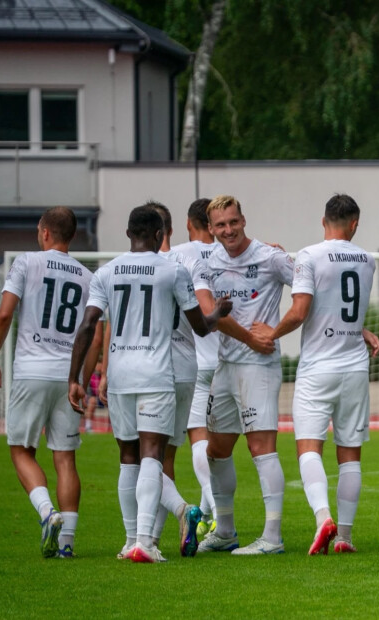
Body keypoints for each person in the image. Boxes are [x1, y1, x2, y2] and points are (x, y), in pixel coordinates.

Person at [67, 204, 231, 563]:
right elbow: (200, 326)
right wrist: (218, 313)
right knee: (153, 456)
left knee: (128, 459)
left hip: (121, 376)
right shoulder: (173, 270)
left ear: (128, 233)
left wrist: (76, 379)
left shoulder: (106, 272)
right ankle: (146, 541)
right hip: (157, 375)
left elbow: (88, 326)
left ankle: (130, 542)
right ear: (160, 235)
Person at [250, 194, 379, 555]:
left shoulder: (309, 255)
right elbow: (340, 301)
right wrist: (364, 330)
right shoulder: (368, 261)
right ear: (354, 224)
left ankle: (324, 518)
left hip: (318, 368)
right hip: (354, 366)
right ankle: (345, 537)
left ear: (324, 221)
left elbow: (302, 308)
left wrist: (271, 332)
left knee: (309, 448)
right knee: (350, 455)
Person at [0, 207, 92, 559]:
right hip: (67, 376)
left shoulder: (26, 262)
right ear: (71, 236)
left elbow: (4, 314)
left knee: (21, 451)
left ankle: (47, 512)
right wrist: (81, 380)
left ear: (44, 232)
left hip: (31, 370)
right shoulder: (88, 276)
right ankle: (68, 544)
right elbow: (95, 335)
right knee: (66, 458)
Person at [194, 195, 292, 556]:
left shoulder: (271, 257)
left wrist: (277, 330)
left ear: (243, 220)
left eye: (233, 222)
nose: (228, 230)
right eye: (220, 225)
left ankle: (272, 537)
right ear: (211, 228)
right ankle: (226, 531)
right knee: (216, 451)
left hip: (259, 367)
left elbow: (312, 289)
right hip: (226, 366)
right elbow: (209, 313)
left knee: (260, 448)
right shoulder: (205, 264)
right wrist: (251, 337)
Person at [144, 202, 217, 557]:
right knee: (196, 443)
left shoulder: (171, 259)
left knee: (143, 455)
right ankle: (203, 511)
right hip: (216, 358)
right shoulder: (224, 251)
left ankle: (145, 537)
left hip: (157, 368)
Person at [170, 198, 223, 535]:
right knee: (219, 444)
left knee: (198, 437)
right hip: (228, 357)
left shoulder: (177, 254)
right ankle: (206, 515)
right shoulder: (228, 253)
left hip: (194, 357)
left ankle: (214, 508)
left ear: (190, 224)